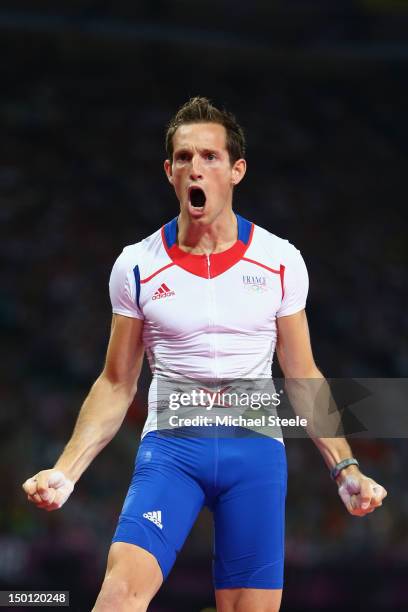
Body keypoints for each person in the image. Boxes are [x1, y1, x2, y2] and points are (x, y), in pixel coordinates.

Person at [22, 97, 387, 612]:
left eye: (210, 156)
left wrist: (345, 469)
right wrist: (66, 471)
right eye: (184, 156)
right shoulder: (136, 266)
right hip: (172, 453)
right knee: (117, 598)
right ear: (169, 171)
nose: (196, 167)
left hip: (255, 455)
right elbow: (116, 382)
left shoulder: (281, 262)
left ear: (236, 170)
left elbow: (302, 373)